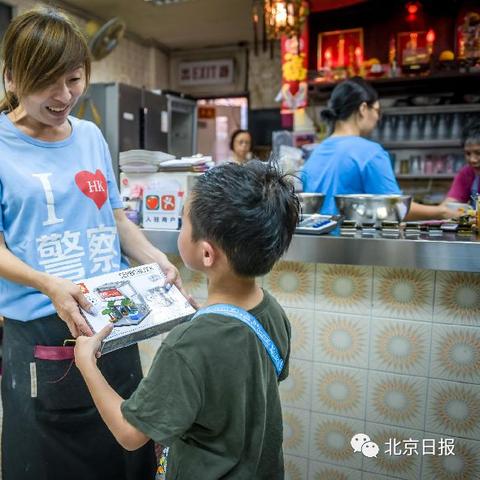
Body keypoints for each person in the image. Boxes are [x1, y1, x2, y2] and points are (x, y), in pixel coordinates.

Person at [0, 8, 186, 480]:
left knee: (126, 453)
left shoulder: (89, 136)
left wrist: (154, 257)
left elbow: (115, 217)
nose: (65, 96)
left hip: (115, 322)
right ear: (11, 77)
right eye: (48, 83)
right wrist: (48, 283)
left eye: (75, 79)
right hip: (44, 332)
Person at [74, 161, 300, 479]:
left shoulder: (188, 345)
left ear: (206, 254)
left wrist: (86, 363)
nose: (182, 228)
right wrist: (203, 324)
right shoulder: (270, 310)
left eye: (184, 222)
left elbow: (129, 433)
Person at [302, 77, 456, 220]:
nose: (378, 118)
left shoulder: (315, 153)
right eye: (377, 110)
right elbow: (395, 207)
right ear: (363, 108)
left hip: (319, 245)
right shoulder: (369, 152)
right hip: (354, 246)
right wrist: (441, 211)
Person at [443, 120, 480, 208]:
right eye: (468, 153)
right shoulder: (467, 173)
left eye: (478, 153)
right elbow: (448, 206)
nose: (472, 160)